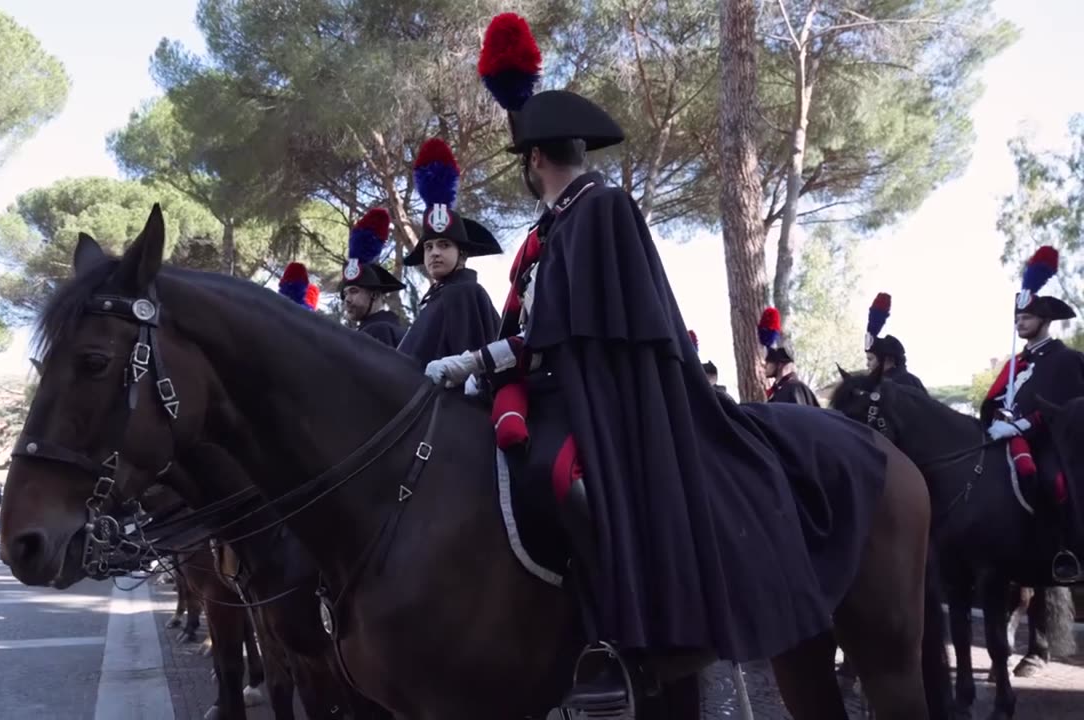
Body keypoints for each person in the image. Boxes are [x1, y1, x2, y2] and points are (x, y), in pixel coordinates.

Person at [428, 14, 869, 710]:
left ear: (537, 160)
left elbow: (559, 330)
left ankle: (616, 638)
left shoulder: (600, 210)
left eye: (525, 162)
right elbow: (538, 324)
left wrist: (471, 358)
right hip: (556, 388)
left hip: (604, 396)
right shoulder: (556, 223)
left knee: (560, 473)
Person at [979, 246, 1084, 582]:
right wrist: (998, 418)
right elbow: (994, 400)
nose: (1019, 324)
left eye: (1025, 318)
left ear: (1044, 320)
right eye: (1017, 319)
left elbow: (1067, 407)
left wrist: (1022, 424)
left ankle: (1065, 551)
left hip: (1048, 442)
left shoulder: (1065, 359)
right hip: (1004, 439)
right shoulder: (1015, 363)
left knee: (1054, 481)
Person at [397, 138, 502, 373]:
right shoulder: (437, 298)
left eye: (444, 245)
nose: (434, 252)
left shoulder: (465, 293)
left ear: (462, 253)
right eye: (428, 247)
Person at [339, 208, 407, 348]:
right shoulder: (387, 327)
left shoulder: (377, 331)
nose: (347, 299)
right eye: (345, 294)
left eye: (354, 291)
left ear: (375, 295)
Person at [863, 292, 927, 391]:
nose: (867, 364)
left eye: (870, 359)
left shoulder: (906, 381)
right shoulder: (877, 382)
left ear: (887, 360)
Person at [758, 307, 819, 406]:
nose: (763, 364)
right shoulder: (780, 390)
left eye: (768, 360)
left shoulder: (794, 389)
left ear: (780, 363)